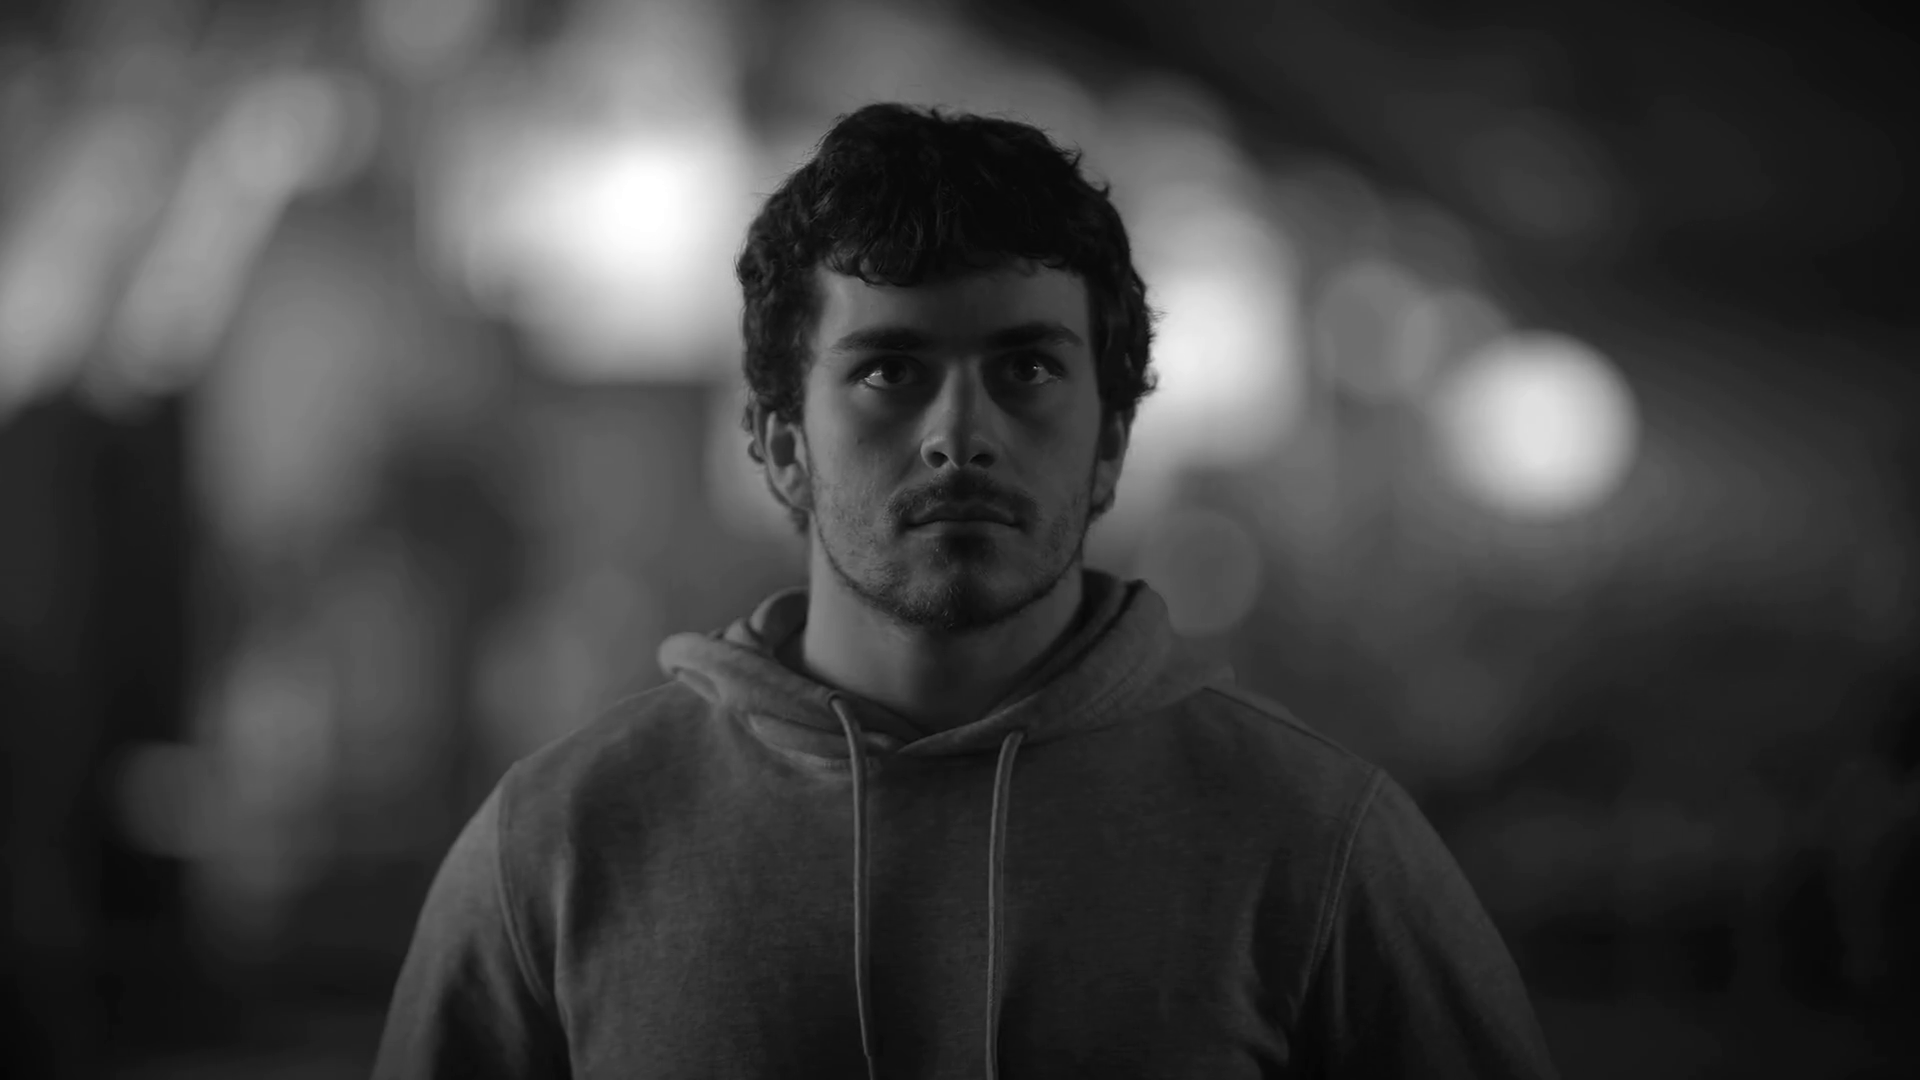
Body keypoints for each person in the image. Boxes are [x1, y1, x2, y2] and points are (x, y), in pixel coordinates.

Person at [373, 102, 1560, 1079]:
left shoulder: (1314, 842)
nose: (960, 434)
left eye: (1026, 368)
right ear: (781, 444)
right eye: (890, 369)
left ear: (1110, 443)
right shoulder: (561, 845)